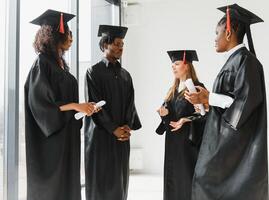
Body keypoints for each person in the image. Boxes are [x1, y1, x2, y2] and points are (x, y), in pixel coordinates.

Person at [185, 4, 269, 200]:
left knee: (206, 179)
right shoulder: (234, 61)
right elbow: (230, 102)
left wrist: (209, 97)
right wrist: (205, 103)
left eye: (217, 33)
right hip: (224, 136)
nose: (214, 38)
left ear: (229, 32)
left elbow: (246, 102)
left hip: (235, 142)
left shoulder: (246, 61)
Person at [25, 9, 99, 200]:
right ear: (55, 34)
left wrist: (84, 108)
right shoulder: (42, 63)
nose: (71, 37)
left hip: (66, 135)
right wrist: (75, 105)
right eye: (68, 32)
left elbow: (68, 104)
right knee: (53, 188)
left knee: (68, 183)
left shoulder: (61, 65)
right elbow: (40, 104)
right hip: (51, 140)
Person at [84, 25, 142, 200]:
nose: (120, 48)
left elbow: (131, 104)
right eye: (116, 44)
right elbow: (94, 106)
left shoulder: (126, 75)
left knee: (120, 180)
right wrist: (113, 129)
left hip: (121, 137)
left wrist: (126, 126)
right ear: (104, 45)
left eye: (122, 44)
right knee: (101, 182)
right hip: (100, 136)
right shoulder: (93, 72)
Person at [156, 50, 207, 200]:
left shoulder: (198, 88)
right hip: (173, 143)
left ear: (187, 66)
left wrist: (187, 119)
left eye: (177, 63)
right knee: (172, 179)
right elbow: (168, 119)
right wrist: (163, 114)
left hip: (188, 144)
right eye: (172, 64)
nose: (173, 67)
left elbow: (205, 115)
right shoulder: (172, 90)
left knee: (185, 179)